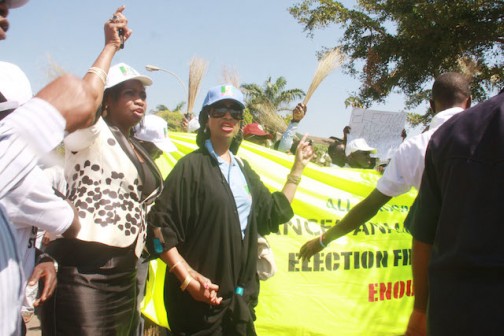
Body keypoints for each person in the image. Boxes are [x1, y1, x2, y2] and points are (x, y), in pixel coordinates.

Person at [1, 2, 131, 335]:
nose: (6, 15)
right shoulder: (13, 154)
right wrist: (109, 48)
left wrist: (39, 256)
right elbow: (79, 96)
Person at [147, 84, 314, 335]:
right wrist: (187, 279)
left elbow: (272, 213)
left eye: (235, 111)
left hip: (237, 305)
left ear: (239, 122)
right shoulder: (190, 167)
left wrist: (298, 168)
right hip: (198, 305)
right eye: (219, 110)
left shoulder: (242, 170)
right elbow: (159, 230)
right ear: (206, 119)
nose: (228, 116)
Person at [40, 62, 164, 335]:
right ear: (107, 99)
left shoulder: (137, 148)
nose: (139, 100)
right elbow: (84, 100)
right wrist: (110, 47)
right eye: (129, 93)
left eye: (142, 95)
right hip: (85, 270)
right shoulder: (89, 134)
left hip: (125, 272)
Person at [298, 72, 471, 263]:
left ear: (431, 105)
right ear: (469, 102)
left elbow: (371, 206)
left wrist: (324, 240)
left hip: (442, 257)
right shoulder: (491, 136)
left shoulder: (414, 148)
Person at [406, 88, 504, 335]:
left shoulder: (449, 135)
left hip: (455, 313)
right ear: (467, 100)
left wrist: (420, 309)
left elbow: (424, 236)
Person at [133, 113, 176, 336]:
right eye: (155, 149)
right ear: (140, 143)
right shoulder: (125, 168)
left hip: (140, 253)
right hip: (123, 253)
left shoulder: (153, 172)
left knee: (135, 306)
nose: (158, 154)